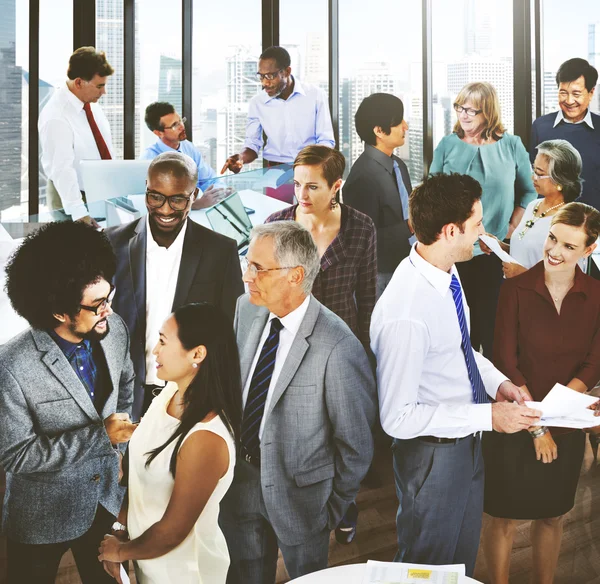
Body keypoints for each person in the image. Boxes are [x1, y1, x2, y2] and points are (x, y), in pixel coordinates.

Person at [370, 172, 542, 577]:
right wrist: (490, 418)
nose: (485, 232)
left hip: (465, 440)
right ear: (450, 230)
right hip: (432, 456)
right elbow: (396, 417)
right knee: (427, 567)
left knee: (458, 565)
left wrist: (499, 383)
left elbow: (461, 350)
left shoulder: (446, 272)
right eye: (478, 224)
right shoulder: (407, 312)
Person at [219, 221, 376, 583]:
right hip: (239, 486)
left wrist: (331, 510)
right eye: (248, 263)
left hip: (303, 503)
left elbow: (356, 446)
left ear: (296, 276)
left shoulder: (338, 347)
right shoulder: (246, 309)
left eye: (258, 268)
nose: (247, 276)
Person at [0, 221, 136, 583]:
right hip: (41, 519)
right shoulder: (11, 366)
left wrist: (118, 451)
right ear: (60, 312)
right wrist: (100, 438)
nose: (108, 309)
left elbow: (126, 383)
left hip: (105, 500)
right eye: (97, 304)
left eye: (109, 296)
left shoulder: (114, 329)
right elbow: (16, 454)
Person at [483, 202, 600, 584]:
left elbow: (593, 364)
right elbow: (505, 361)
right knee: (502, 516)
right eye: (552, 238)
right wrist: (536, 427)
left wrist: (554, 418)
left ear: (588, 250)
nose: (554, 251)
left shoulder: (597, 296)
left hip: (564, 426)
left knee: (553, 515)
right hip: (516, 420)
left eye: (568, 246)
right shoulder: (514, 289)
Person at [265, 145, 376, 544]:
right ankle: (294, 512)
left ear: (337, 187)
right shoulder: (277, 225)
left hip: (342, 352)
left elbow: (367, 299)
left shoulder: (361, 228)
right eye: (296, 185)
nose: (302, 195)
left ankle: (344, 504)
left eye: (312, 186)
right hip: (289, 350)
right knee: (300, 436)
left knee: (343, 437)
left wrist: (363, 359)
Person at [98, 303, 242, 584]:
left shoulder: (205, 438)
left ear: (197, 354)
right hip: (150, 560)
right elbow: (138, 472)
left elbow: (173, 531)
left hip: (184, 572)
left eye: (163, 341)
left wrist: (121, 552)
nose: (155, 351)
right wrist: (120, 528)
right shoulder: (170, 392)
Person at [106, 152, 244, 420]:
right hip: (123, 399)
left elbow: (229, 335)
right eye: (155, 197)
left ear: (194, 197)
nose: (165, 209)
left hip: (190, 398)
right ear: (146, 190)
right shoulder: (111, 244)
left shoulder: (221, 251)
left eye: (178, 199)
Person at [430, 82, 536, 357]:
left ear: (488, 112)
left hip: (494, 253)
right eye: (460, 108)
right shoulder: (447, 144)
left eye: (471, 110)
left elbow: (528, 191)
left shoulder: (512, 145)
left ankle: (491, 393)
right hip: (452, 252)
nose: (463, 115)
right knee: (455, 330)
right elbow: (432, 191)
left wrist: (510, 230)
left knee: (492, 331)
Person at [221, 46, 334, 173]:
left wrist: (312, 166)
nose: (264, 83)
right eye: (261, 76)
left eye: (269, 76)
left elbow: (326, 140)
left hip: (311, 168)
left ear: (286, 71)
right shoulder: (257, 103)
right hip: (275, 171)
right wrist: (240, 158)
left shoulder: (315, 95)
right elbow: (252, 144)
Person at [342, 93, 413, 297]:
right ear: (379, 131)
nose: (405, 126)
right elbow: (362, 241)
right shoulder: (361, 179)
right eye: (399, 121)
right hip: (380, 278)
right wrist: (410, 226)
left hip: (405, 267)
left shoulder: (398, 165)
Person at [482, 139, 583, 278]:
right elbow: (529, 253)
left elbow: (567, 278)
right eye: (533, 169)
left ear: (560, 179)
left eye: (539, 173)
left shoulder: (570, 222)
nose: (533, 177)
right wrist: (498, 245)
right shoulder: (533, 205)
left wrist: (523, 274)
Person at [39, 46, 115, 227]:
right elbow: (61, 169)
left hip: (96, 191)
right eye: (99, 86)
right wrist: (78, 210)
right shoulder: (56, 116)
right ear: (79, 82)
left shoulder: (89, 102)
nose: (103, 92)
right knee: (76, 253)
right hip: (71, 197)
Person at [530, 58, 600, 210]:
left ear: (591, 92)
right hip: (549, 219)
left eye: (576, 93)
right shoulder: (541, 126)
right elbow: (534, 175)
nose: (569, 100)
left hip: (593, 221)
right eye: (563, 93)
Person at [141, 102, 228, 210]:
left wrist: (222, 192)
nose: (182, 127)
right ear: (159, 133)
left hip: (201, 213)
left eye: (181, 121)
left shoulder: (188, 147)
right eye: (174, 125)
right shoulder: (150, 158)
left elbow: (208, 180)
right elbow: (154, 201)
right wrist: (196, 205)